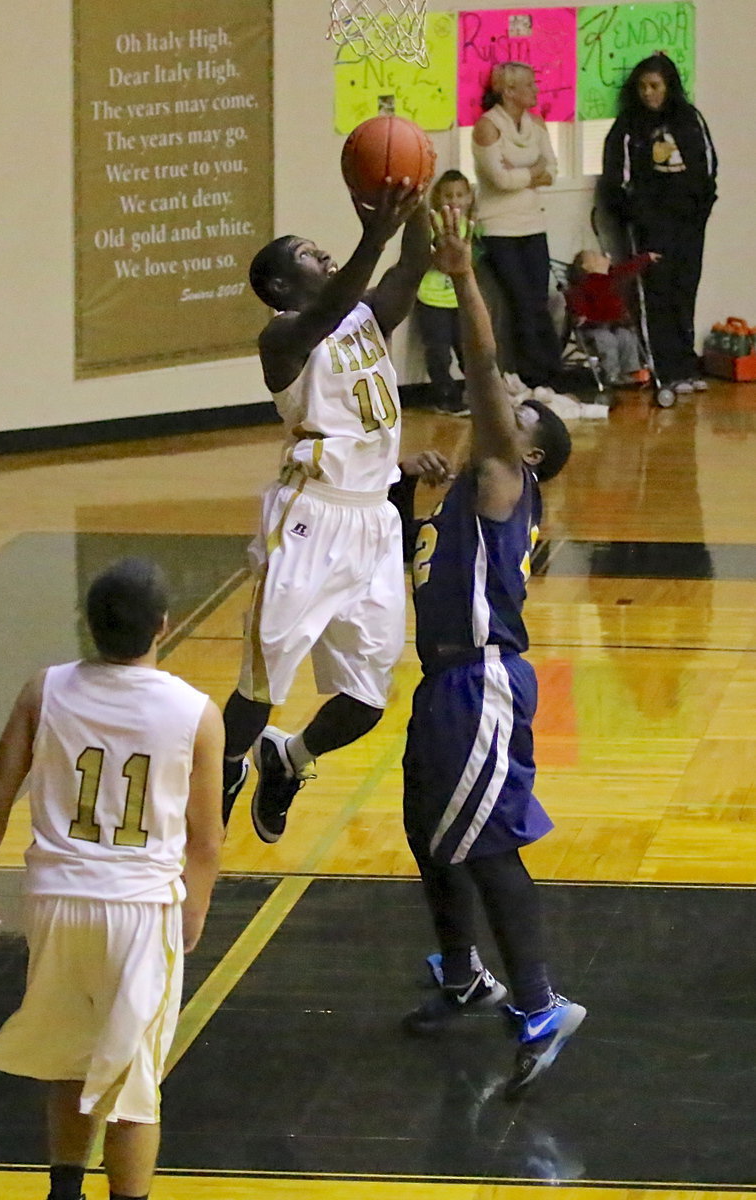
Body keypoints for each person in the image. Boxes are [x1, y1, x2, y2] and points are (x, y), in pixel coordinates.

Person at [0, 558, 225, 1200]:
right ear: (164, 626)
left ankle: (64, 1190)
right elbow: (206, 834)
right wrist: (196, 909)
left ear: (88, 624)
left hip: (54, 902)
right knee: (136, 1087)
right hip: (138, 909)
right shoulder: (195, 712)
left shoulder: (42, 689)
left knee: (69, 1053)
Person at [399, 206, 585, 1099]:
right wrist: (408, 494)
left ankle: (543, 1005)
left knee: (488, 845)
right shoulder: (464, 495)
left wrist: (463, 275)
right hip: (441, 682)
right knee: (430, 837)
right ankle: (464, 972)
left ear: (533, 447)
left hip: (481, 683)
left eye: (518, 407)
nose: (502, 395)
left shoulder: (510, 472)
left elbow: (479, 367)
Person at [222, 182, 431, 844]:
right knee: (263, 683)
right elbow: (334, 304)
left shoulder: (367, 314)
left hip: (373, 521)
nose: (327, 256)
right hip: (309, 518)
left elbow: (411, 266)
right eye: (311, 255)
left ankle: (290, 760)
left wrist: (418, 194)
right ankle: (222, 772)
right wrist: (375, 231)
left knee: (369, 697)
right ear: (283, 288)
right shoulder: (282, 340)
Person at [600, 53, 717, 394]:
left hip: (689, 224)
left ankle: (687, 366)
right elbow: (617, 181)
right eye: (642, 87)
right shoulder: (628, 126)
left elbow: (707, 167)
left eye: (655, 86)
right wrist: (638, 217)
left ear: (669, 87)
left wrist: (700, 211)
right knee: (656, 296)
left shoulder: (690, 119)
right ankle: (664, 370)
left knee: (685, 291)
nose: (648, 94)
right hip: (650, 226)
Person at [472, 63, 584, 394]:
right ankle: (530, 375)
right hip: (499, 229)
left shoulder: (536, 124)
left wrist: (525, 173)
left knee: (540, 299)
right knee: (519, 301)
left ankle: (551, 372)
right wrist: (531, 174)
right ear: (508, 91)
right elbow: (499, 179)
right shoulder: (488, 126)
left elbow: (551, 170)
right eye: (530, 86)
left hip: (533, 224)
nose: (536, 91)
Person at [414, 169, 475, 417]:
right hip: (432, 299)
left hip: (459, 300)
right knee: (439, 352)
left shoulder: (469, 227)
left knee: (467, 349)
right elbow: (424, 257)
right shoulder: (433, 223)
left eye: (460, 194)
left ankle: (475, 395)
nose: (454, 200)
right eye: (448, 194)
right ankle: (445, 397)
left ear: (469, 197)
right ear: (438, 197)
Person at [566, 247, 661, 386]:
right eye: (595, 255)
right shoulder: (584, 283)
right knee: (607, 340)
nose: (603, 256)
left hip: (614, 325)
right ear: (586, 266)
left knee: (627, 337)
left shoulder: (612, 277)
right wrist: (580, 314)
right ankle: (612, 374)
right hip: (593, 328)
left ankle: (631, 372)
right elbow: (575, 298)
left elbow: (628, 269)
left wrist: (646, 257)